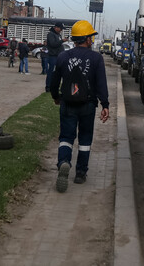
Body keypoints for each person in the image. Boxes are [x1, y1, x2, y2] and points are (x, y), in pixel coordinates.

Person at [50, 20, 109, 192]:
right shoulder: (96, 58)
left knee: (66, 137)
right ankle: (80, 173)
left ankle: (64, 162)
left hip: (67, 103)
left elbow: (54, 81)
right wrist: (105, 104)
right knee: (84, 139)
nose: (92, 39)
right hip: (88, 105)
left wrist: (56, 97)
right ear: (87, 39)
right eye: (91, 36)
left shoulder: (63, 56)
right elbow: (101, 84)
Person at [46, 22, 65, 92]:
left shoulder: (58, 35)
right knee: (51, 71)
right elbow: (53, 44)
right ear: (56, 27)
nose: (61, 30)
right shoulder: (50, 34)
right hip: (53, 56)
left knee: (58, 72)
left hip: (59, 56)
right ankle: (48, 86)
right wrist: (62, 41)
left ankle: (56, 86)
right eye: (60, 28)